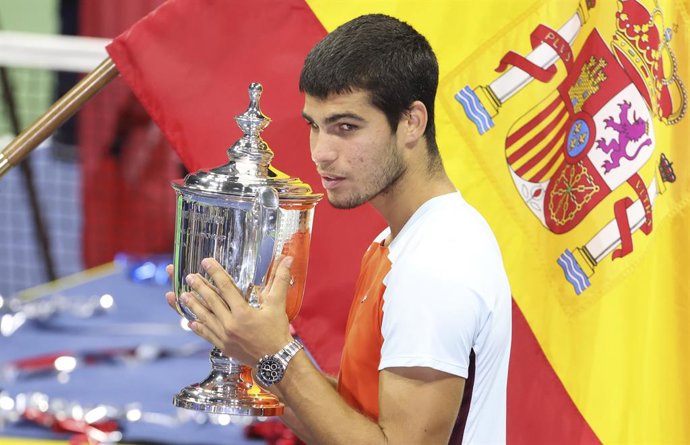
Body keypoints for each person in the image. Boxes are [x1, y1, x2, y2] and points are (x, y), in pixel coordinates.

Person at [166, 13, 512, 445]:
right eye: (315, 125)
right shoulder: (400, 242)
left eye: (346, 127)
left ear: (412, 122)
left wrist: (275, 352)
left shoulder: (436, 263)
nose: (321, 153)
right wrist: (249, 346)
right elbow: (358, 422)